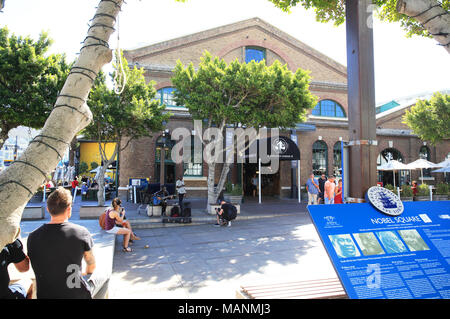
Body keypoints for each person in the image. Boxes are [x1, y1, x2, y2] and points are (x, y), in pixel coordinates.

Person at [27, 187, 107, 299]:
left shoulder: (32, 237)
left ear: (48, 209)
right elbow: (91, 266)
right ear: (69, 209)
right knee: (104, 275)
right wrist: (85, 273)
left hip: (45, 294)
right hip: (76, 295)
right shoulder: (81, 233)